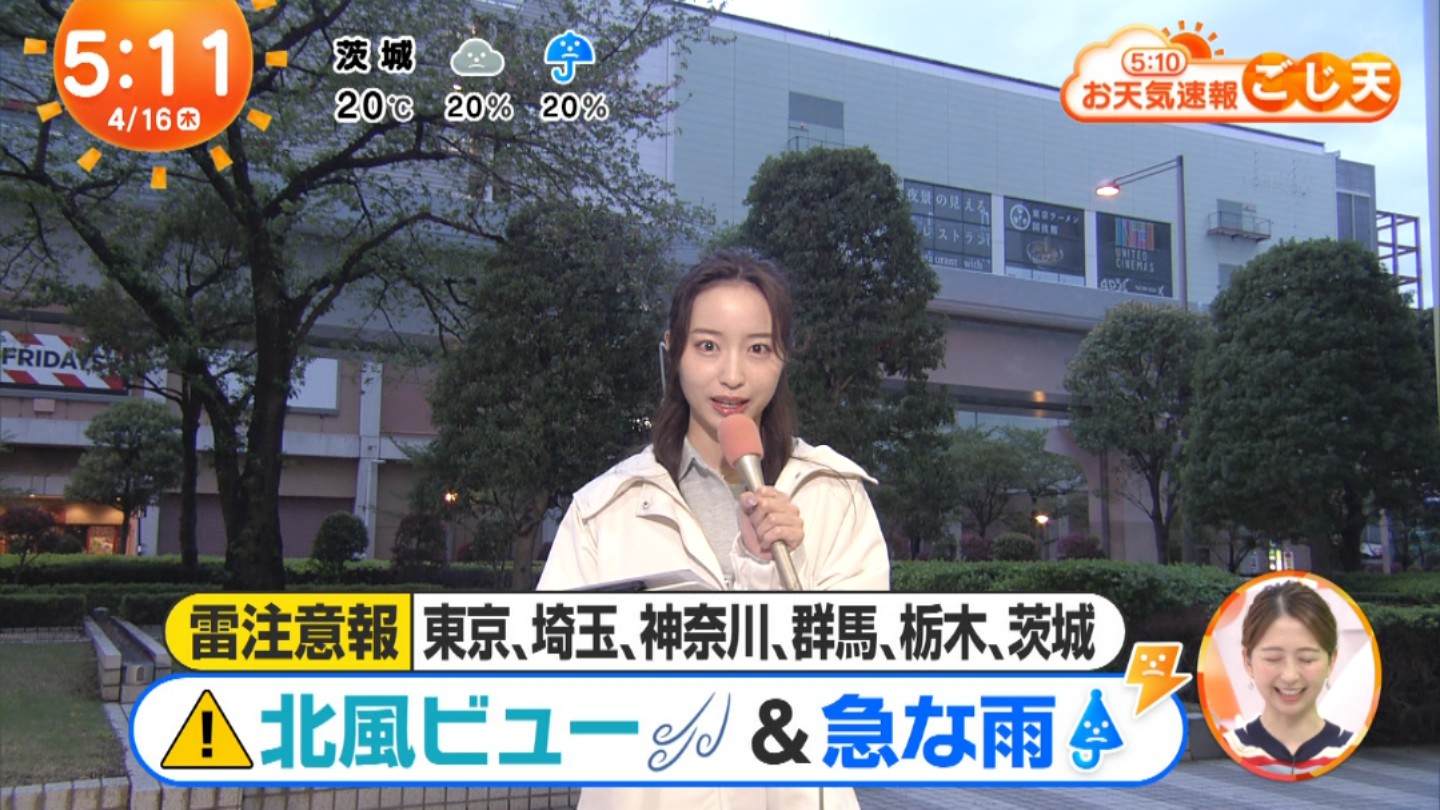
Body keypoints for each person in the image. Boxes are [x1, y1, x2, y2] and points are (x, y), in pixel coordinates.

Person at [538, 249, 890, 809]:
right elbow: (554, 692)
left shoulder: (832, 495)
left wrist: (768, 575)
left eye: (758, 349)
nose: (732, 375)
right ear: (672, 352)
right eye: (707, 346)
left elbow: (863, 684)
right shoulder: (604, 507)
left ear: (783, 358)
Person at [1222, 579, 1356, 779]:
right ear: (1247, 661)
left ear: (1331, 661)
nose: (1290, 676)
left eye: (1307, 659)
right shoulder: (1230, 748)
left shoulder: (1349, 749)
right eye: (1273, 658)